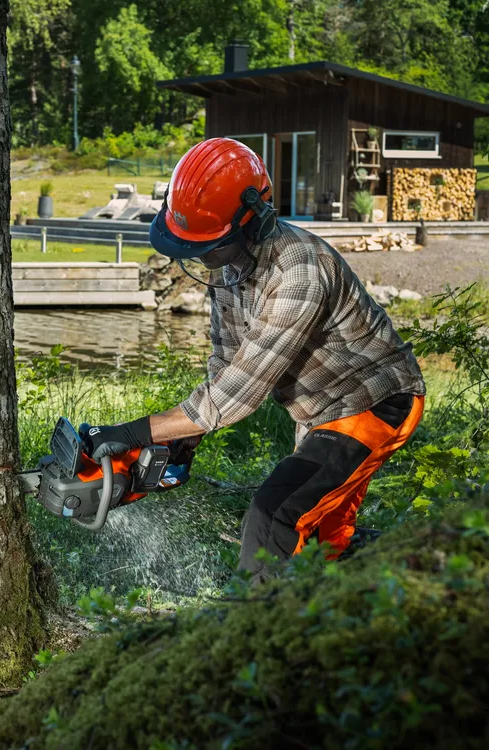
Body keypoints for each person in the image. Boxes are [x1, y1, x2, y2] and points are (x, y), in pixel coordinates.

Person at [80, 138, 425, 584]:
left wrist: (130, 433)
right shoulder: (229, 272)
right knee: (323, 536)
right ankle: (381, 597)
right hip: (321, 414)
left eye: (211, 246)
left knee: (275, 514)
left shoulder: (297, 271)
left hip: (374, 403)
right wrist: (185, 439)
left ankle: (250, 632)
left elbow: (238, 392)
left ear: (254, 222)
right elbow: (226, 364)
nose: (202, 258)